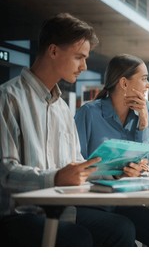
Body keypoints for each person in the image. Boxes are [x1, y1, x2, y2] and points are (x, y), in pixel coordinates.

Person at [0, 13, 135, 246]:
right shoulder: (8, 98)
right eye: (79, 57)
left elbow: (77, 163)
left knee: (122, 229)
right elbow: (5, 173)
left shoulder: (62, 108)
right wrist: (56, 178)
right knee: (79, 238)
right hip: (18, 216)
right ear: (53, 51)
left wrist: (115, 172)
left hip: (61, 209)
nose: (84, 66)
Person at [74, 54, 149, 247]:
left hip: (123, 200)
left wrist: (144, 121)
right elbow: (73, 165)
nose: (148, 85)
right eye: (144, 78)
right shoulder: (88, 113)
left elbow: (144, 160)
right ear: (124, 83)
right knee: (125, 231)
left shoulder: (144, 109)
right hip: (92, 202)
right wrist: (113, 176)